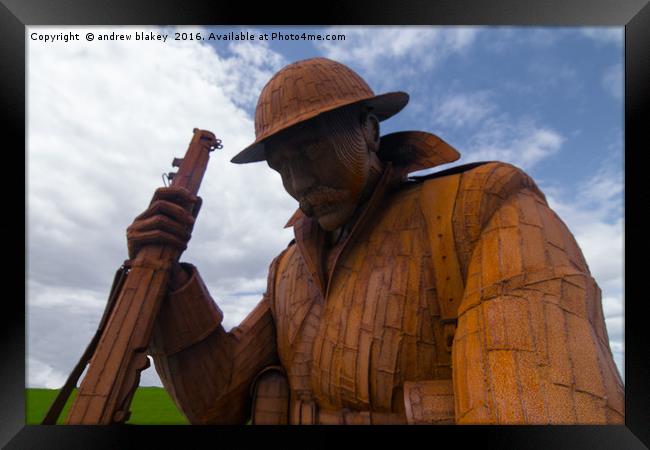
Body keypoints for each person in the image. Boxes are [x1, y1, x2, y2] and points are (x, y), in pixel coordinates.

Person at [127, 57, 624, 424]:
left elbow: (545, 398)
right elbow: (216, 405)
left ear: (367, 130)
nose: (298, 183)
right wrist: (165, 283)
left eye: (314, 152)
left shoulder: (479, 207)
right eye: (282, 166)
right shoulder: (289, 269)